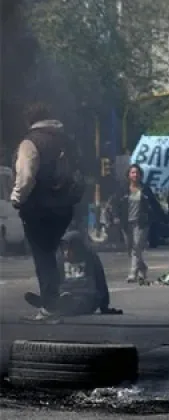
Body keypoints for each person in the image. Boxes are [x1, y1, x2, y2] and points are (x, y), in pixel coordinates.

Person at [11, 103, 85, 323]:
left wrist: (16, 199)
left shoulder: (30, 141)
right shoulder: (66, 140)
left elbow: (26, 176)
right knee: (51, 250)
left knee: (42, 253)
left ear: (29, 121)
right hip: (65, 207)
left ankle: (50, 303)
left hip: (39, 207)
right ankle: (54, 291)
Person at [24, 231, 122, 317]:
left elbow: (101, 282)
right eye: (64, 249)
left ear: (77, 247)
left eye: (69, 249)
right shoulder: (60, 259)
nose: (66, 253)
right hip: (66, 294)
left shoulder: (90, 257)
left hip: (86, 296)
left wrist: (104, 306)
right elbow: (54, 280)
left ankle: (51, 305)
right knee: (62, 298)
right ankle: (48, 302)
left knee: (78, 302)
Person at [110, 164, 163, 284]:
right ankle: (142, 268)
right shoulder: (123, 189)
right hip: (126, 223)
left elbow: (155, 205)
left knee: (137, 247)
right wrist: (115, 217)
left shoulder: (145, 189)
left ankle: (132, 273)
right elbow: (114, 204)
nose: (135, 175)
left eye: (137, 173)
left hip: (141, 223)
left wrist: (159, 218)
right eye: (133, 173)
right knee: (130, 248)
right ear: (129, 175)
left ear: (140, 175)